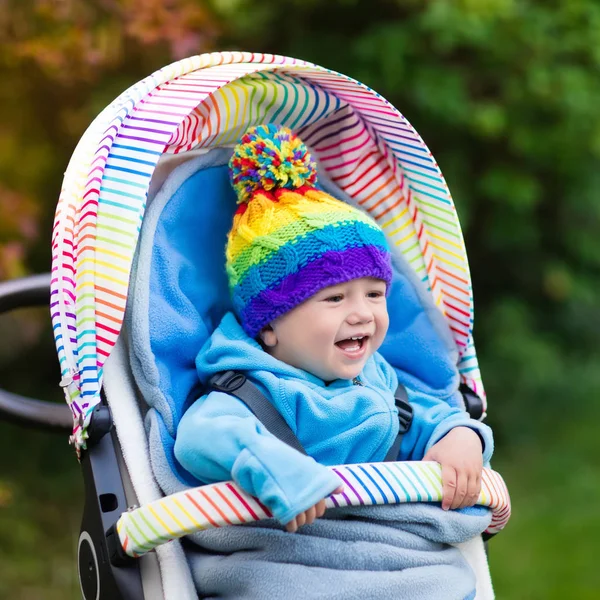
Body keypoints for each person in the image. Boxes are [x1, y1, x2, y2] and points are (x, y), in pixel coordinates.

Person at [174, 123, 493, 534]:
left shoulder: (378, 381)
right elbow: (201, 436)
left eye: (374, 295)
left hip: (389, 545)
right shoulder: (253, 391)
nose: (362, 314)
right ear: (269, 325)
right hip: (292, 552)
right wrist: (272, 467)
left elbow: (426, 419)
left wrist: (459, 437)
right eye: (335, 298)